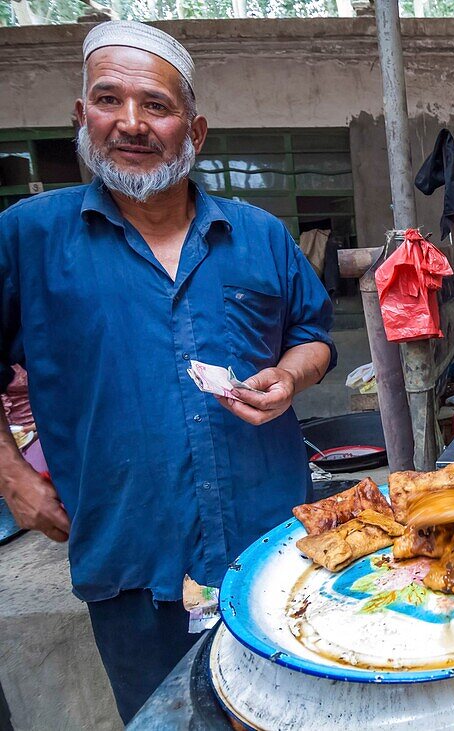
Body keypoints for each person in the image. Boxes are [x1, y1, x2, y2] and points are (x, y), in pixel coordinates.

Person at [0, 21, 336, 722]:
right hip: (132, 564)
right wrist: (14, 480)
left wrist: (292, 376)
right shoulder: (29, 236)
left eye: (155, 104)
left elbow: (313, 334)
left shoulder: (258, 235)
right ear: (79, 117)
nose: (130, 122)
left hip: (274, 549)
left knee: (293, 712)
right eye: (108, 99)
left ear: (196, 129)